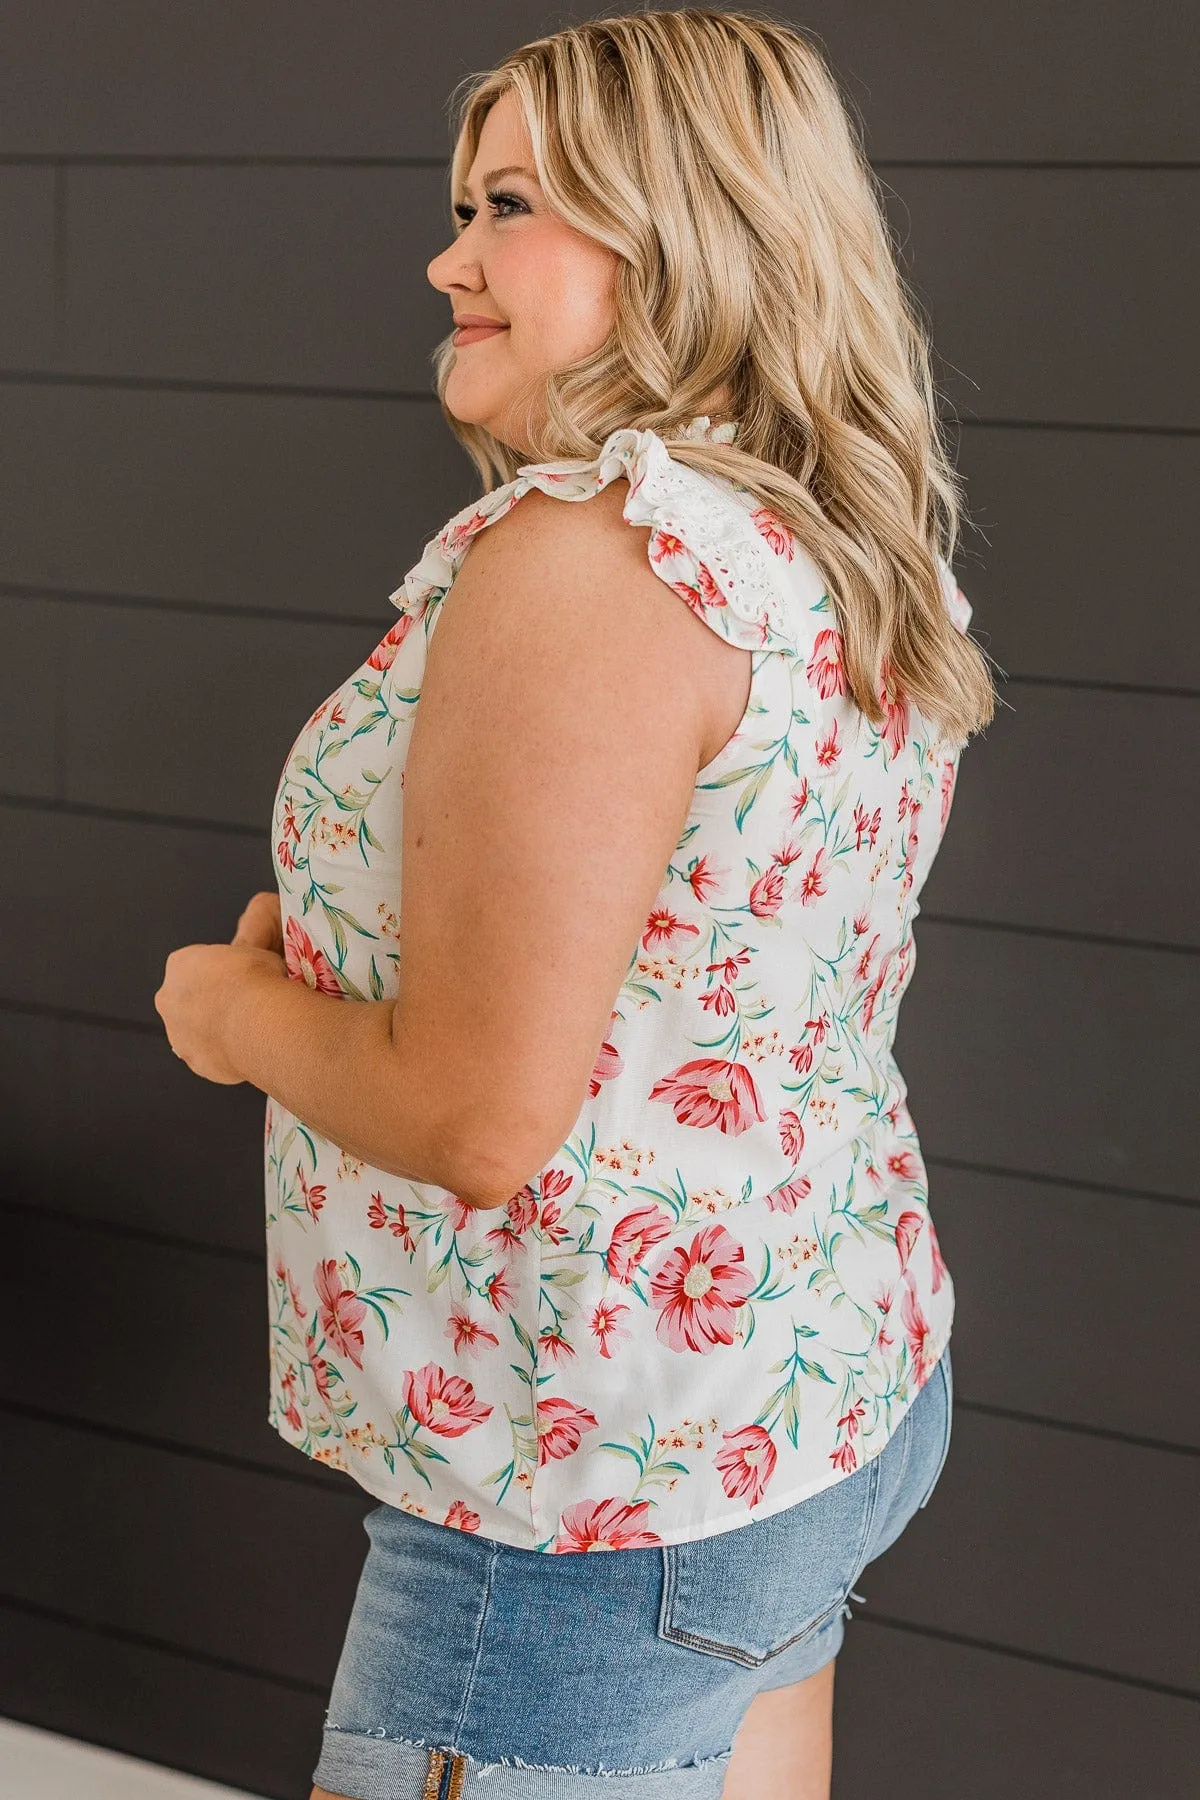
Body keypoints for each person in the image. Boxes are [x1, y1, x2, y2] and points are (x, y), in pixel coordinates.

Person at [157, 9, 998, 1798]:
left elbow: (478, 1115)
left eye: (512, 205)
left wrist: (232, 1018)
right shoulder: (829, 537)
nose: (448, 256)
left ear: (679, 227)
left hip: (583, 1510)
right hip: (809, 1403)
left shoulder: (590, 565)